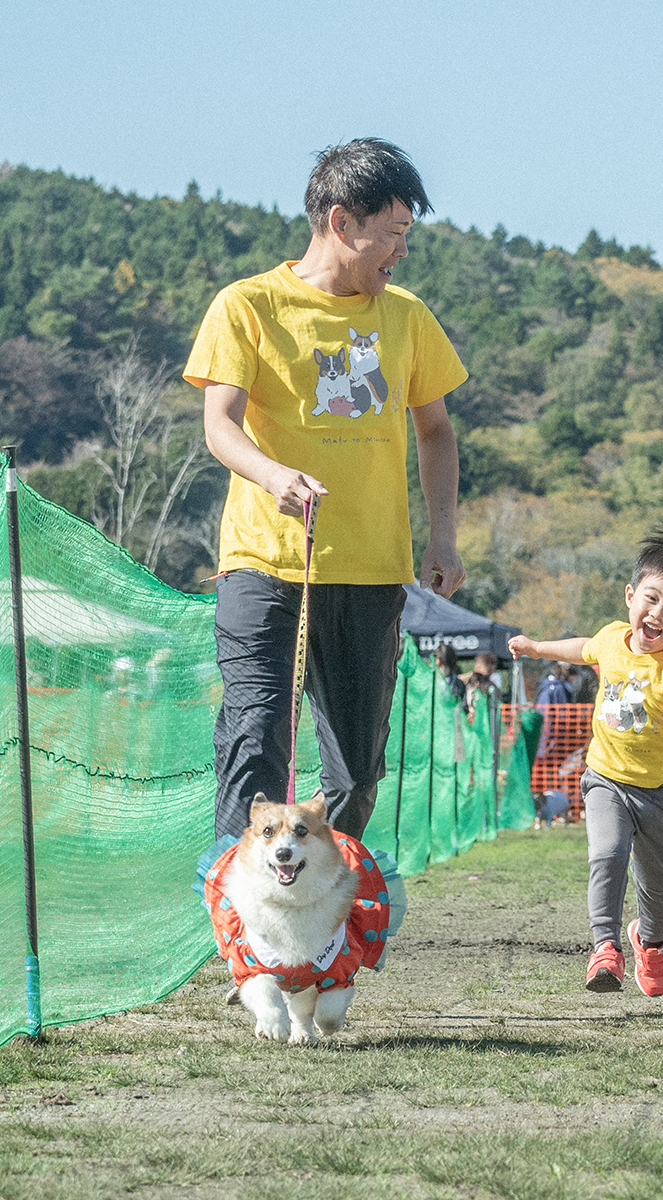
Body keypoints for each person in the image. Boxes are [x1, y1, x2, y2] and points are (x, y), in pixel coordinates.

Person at [185, 138, 468, 852]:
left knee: (356, 774)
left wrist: (442, 536)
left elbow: (435, 431)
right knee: (256, 740)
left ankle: (319, 907)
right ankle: (242, 922)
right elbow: (219, 427)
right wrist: (274, 475)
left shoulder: (406, 317)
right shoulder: (247, 305)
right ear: (342, 223)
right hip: (265, 562)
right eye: (394, 234)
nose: (402, 251)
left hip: (370, 568)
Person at [508, 528, 663, 997]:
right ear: (630, 596)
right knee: (606, 853)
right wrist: (538, 648)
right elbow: (580, 648)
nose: (658, 614)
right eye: (651, 598)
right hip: (605, 778)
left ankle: (651, 940)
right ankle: (605, 947)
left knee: (657, 888)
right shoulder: (610, 640)